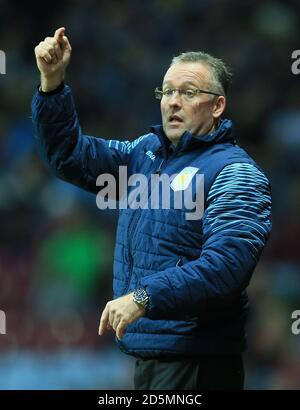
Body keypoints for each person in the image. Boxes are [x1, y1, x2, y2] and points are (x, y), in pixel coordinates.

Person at [32, 27, 272, 390]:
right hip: (153, 354)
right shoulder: (146, 154)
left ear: (217, 105)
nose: (172, 101)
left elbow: (226, 268)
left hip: (199, 362)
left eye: (188, 93)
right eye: (167, 91)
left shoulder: (234, 173)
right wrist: (52, 85)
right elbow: (69, 156)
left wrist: (145, 297)